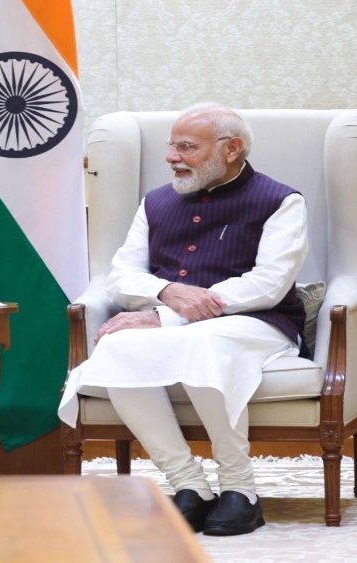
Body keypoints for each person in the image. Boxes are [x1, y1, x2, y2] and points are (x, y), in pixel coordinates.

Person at [58, 102, 308, 536]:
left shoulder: (281, 200)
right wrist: (166, 292)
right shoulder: (155, 202)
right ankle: (188, 484)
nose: (172, 157)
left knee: (203, 342)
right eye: (171, 146)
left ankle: (240, 489)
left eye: (187, 147)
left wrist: (168, 316)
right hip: (174, 318)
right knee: (116, 345)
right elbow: (122, 275)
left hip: (258, 323)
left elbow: (269, 283)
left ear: (231, 149)